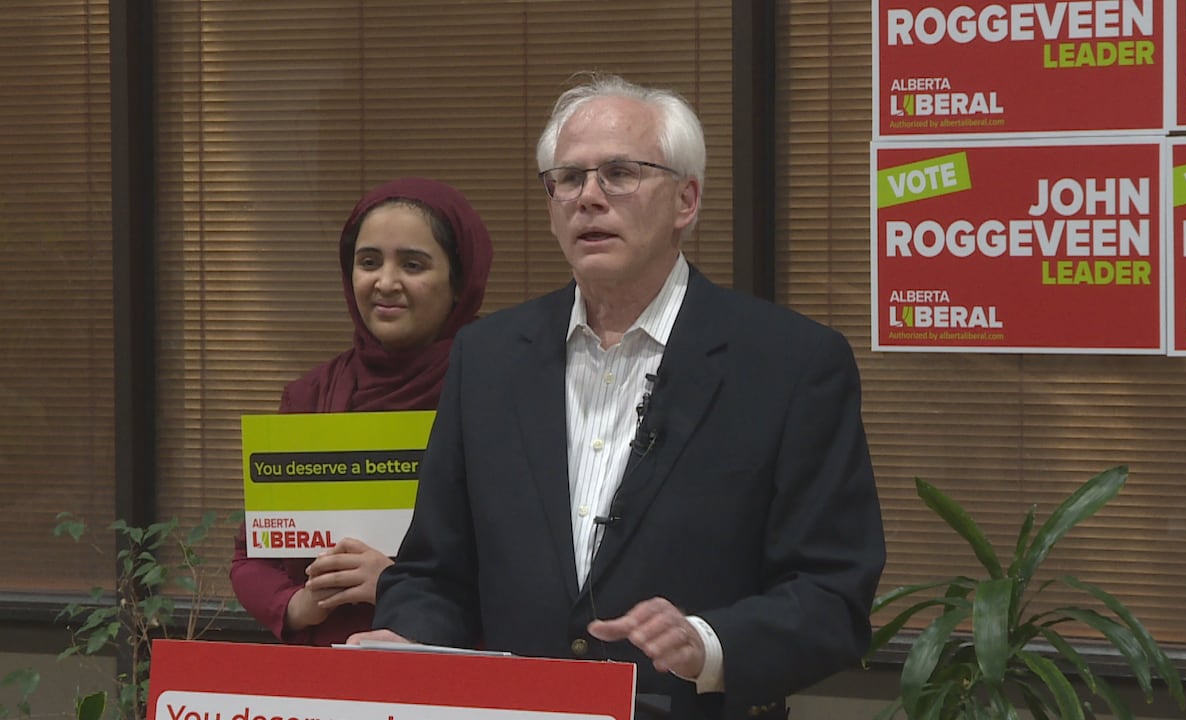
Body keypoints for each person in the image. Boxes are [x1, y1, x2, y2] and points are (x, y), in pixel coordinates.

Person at [351, 75, 885, 720]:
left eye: (621, 174)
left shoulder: (789, 365)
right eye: (568, 179)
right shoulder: (489, 357)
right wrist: (405, 640)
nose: (589, 198)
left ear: (686, 200)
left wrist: (708, 642)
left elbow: (832, 594)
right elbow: (435, 568)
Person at [230, 177, 493, 646]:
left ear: (459, 280)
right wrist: (294, 605)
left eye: (413, 264)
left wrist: (398, 587)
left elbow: (532, 569)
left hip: (456, 675)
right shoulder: (310, 396)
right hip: (324, 679)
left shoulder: (499, 391)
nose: (385, 283)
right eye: (368, 262)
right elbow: (251, 558)